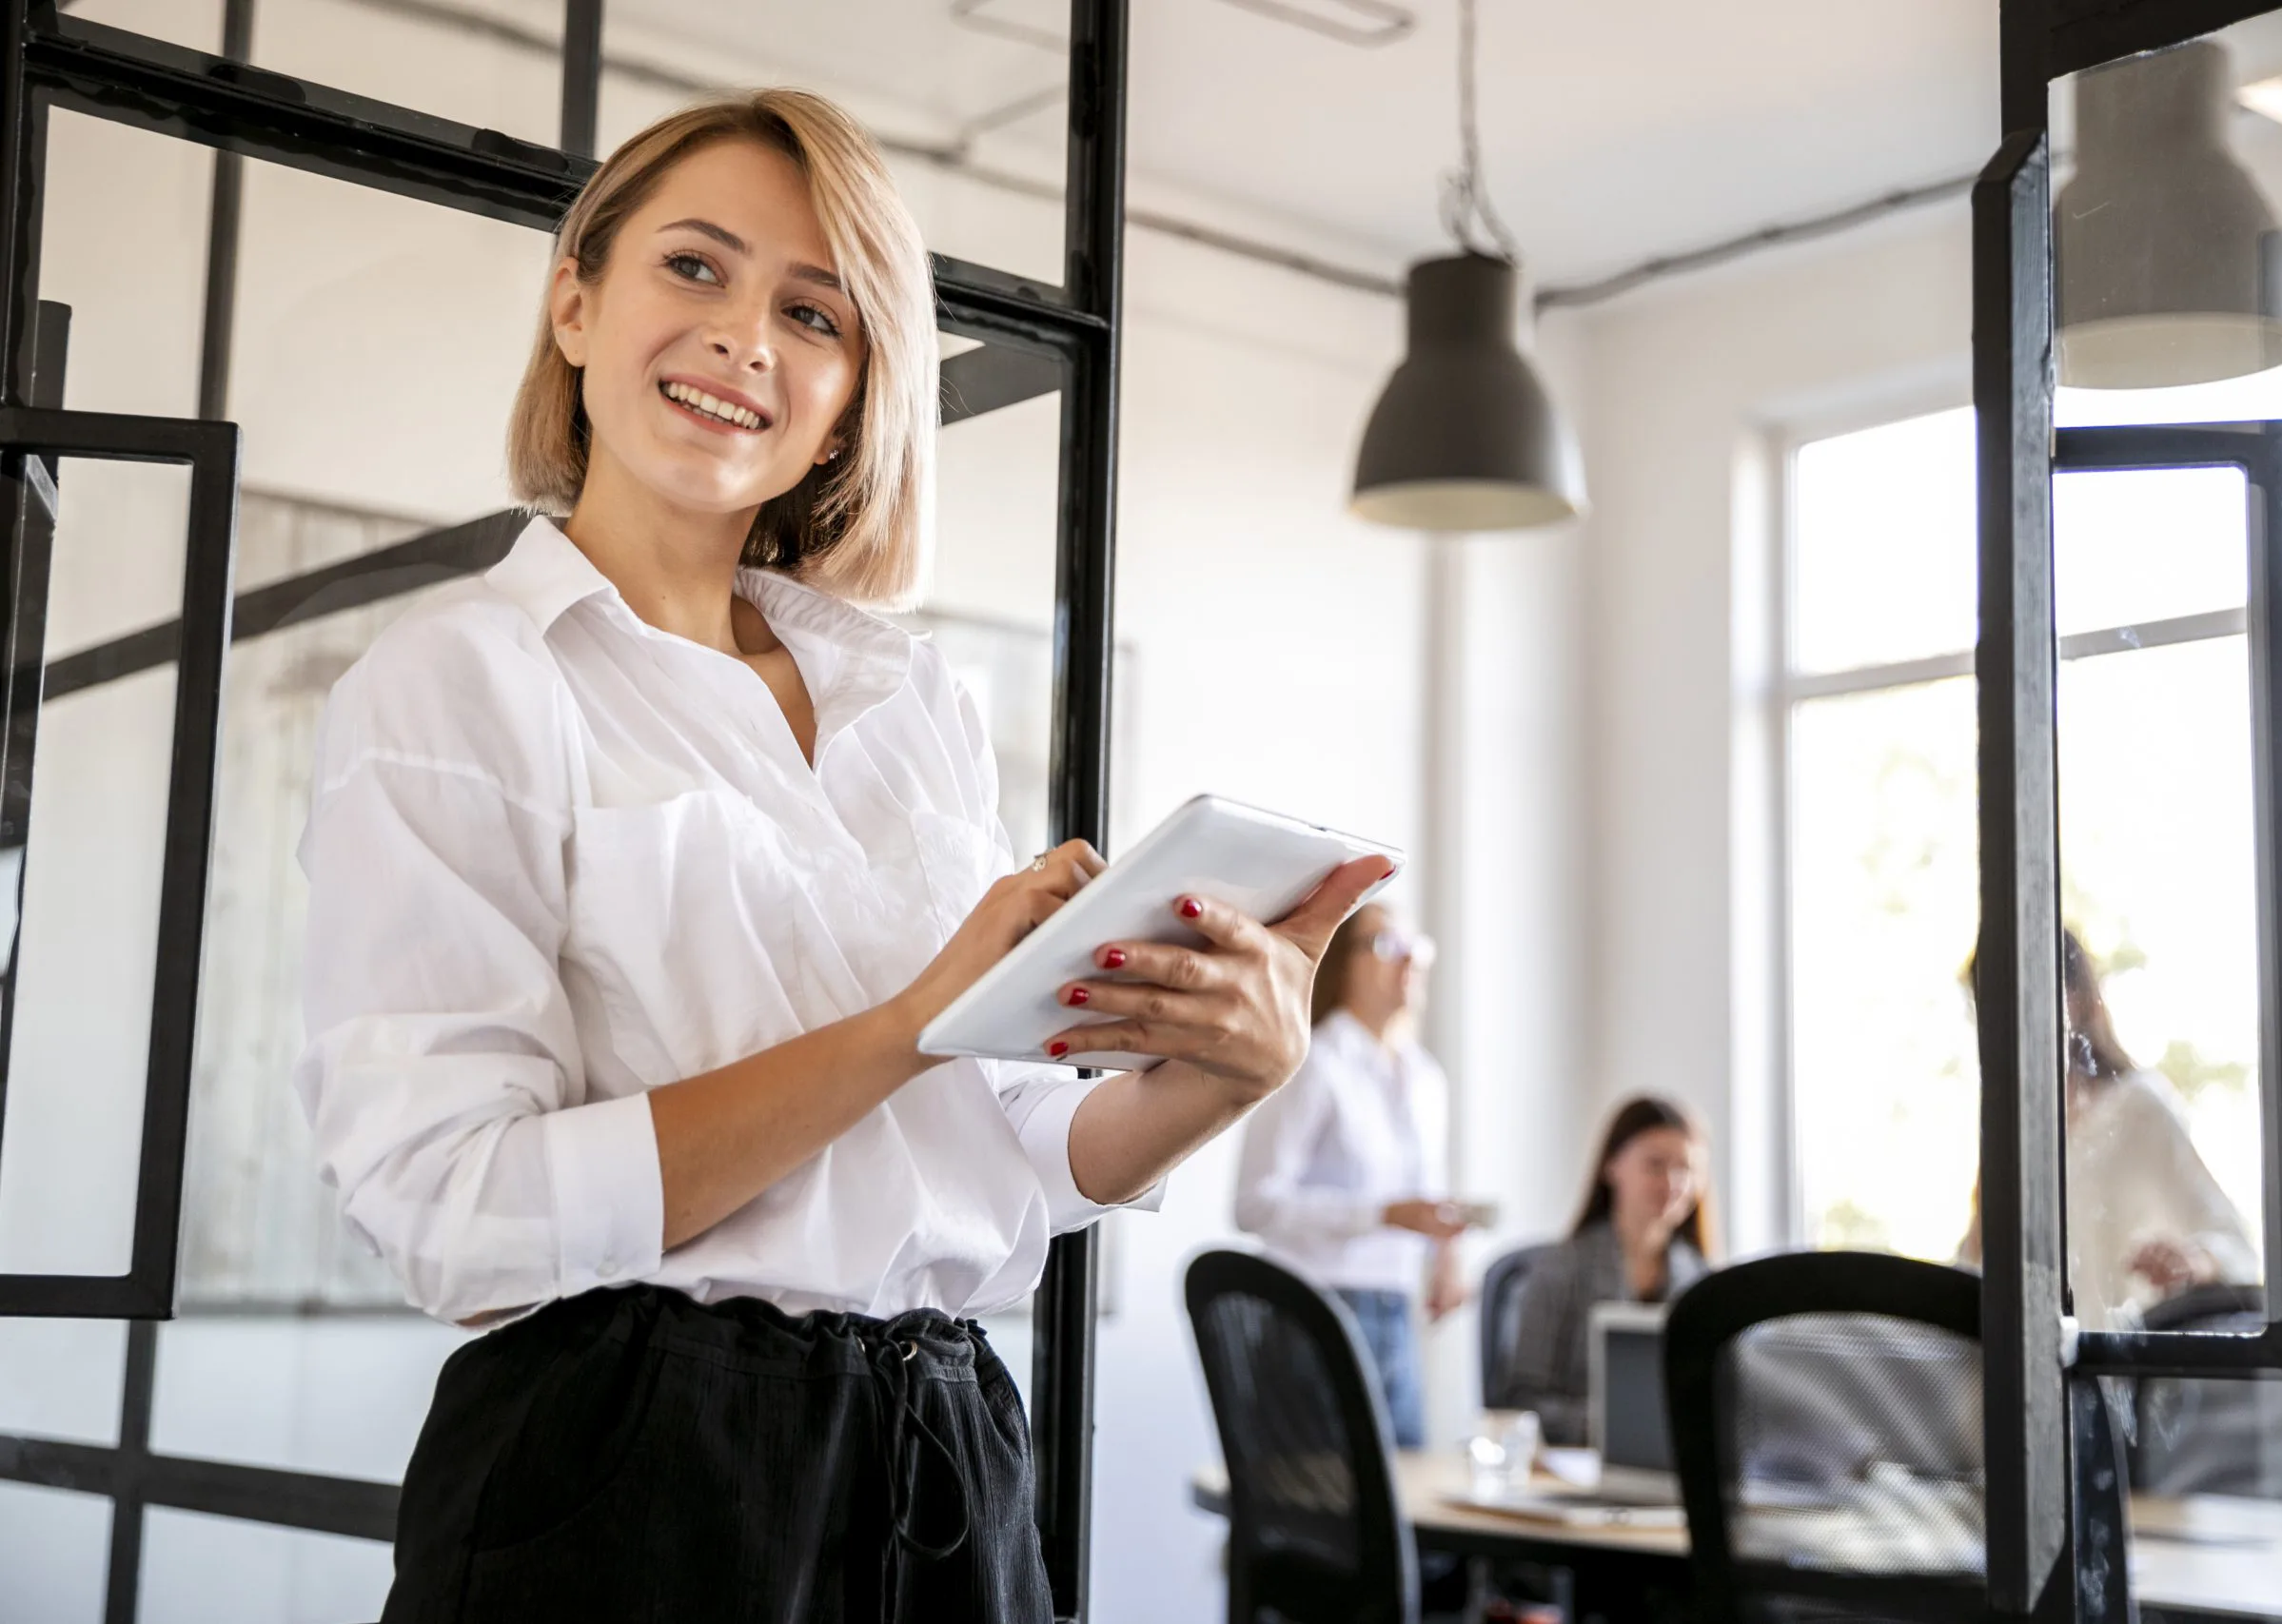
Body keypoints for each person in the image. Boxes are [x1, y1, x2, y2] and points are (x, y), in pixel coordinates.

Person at [292, 90, 1388, 1624]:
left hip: (948, 1454)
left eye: (814, 310)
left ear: (854, 388)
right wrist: (898, 1030)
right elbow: (454, 1206)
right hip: (630, 1469)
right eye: (695, 268)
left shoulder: (909, 694)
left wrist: (1217, 1075)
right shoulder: (459, 680)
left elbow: (1014, 1151)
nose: (748, 338)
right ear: (576, 299)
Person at [1232, 902, 1471, 1449]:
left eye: (1416, 947)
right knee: (1318, 1511)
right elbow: (1255, 1206)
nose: (1408, 961)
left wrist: (1447, 1257)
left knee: (1405, 1508)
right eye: (1386, 946)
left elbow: (1426, 1191)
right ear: (1344, 962)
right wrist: (1381, 1214)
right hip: (1312, 1315)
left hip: (1395, 1313)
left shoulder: (1427, 1078)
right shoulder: (1312, 1062)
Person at [1959, 929, 2258, 1324]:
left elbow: (2234, 1247)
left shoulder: (2137, 1107)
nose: (2009, 1019)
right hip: (2037, 1380)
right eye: (1991, 1004)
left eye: (2026, 994)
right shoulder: (2010, 1138)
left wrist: (2190, 1262)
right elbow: (1972, 1280)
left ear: (2079, 998)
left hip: (2130, 1370)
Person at [1504, 1096, 1712, 1448]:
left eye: (1686, 1169)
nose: (1672, 1182)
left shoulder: (1700, 1278)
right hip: (1574, 1465)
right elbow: (1522, 1402)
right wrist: (1616, 1426)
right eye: (1655, 1165)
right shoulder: (1561, 1268)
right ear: (1611, 1166)